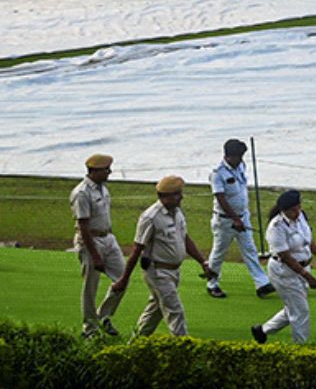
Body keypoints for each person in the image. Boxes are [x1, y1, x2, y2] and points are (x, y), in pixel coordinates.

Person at [113, 176, 215, 337]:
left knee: (156, 311)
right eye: (177, 194)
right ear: (164, 197)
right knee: (175, 312)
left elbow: (185, 239)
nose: (181, 197)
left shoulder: (177, 212)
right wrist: (124, 279)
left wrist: (203, 261)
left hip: (173, 272)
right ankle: (183, 348)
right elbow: (136, 249)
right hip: (158, 273)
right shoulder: (150, 217)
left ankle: (136, 342)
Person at [251, 190, 316, 345]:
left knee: (294, 308)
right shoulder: (276, 227)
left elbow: (308, 240)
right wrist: (307, 276)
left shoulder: (301, 217)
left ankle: (262, 330)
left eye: (298, 208)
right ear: (284, 211)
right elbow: (286, 257)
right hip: (284, 272)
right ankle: (299, 348)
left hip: (303, 267)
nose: (297, 212)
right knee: (301, 312)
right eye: (293, 210)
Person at [205, 139, 273, 299]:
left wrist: (241, 217)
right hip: (224, 221)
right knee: (219, 253)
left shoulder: (241, 166)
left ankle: (262, 283)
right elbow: (221, 198)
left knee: (250, 249)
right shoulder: (217, 173)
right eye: (238, 156)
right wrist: (235, 219)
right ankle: (212, 284)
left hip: (243, 217)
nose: (241, 160)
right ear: (228, 156)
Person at [71, 154, 127, 338]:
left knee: (122, 278)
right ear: (94, 171)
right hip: (90, 241)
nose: (109, 172)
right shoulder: (82, 193)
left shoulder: (103, 189)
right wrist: (95, 255)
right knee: (90, 286)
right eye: (106, 169)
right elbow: (83, 226)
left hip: (108, 238)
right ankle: (89, 328)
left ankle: (103, 316)